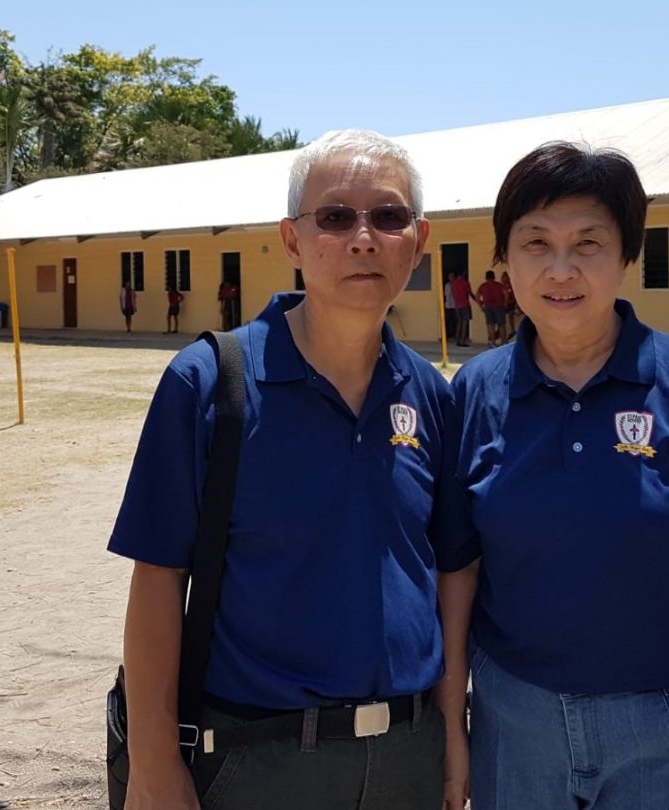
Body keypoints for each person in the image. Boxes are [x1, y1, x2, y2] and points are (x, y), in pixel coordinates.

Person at [438, 142, 669, 810]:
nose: (561, 268)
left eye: (589, 243)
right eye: (536, 242)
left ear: (628, 256)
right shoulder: (474, 394)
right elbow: (457, 573)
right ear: (505, 259)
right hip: (516, 728)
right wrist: (452, 730)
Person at [111, 129, 460, 810]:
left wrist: (450, 742)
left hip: (407, 761)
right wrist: (153, 763)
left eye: (388, 217)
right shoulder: (211, 381)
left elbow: (450, 579)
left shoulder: (432, 396)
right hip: (257, 763)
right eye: (335, 217)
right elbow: (157, 580)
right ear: (293, 240)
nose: (364, 238)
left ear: (417, 241)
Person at [475, 270, 507, 348]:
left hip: (488, 307)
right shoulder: (499, 285)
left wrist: (481, 306)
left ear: (486, 277)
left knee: (490, 326)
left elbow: (477, 296)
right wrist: (505, 304)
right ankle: (503, 343)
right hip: (499, 306)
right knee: (501, 325)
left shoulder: (483, 286)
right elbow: (506, 294)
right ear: (494, 276)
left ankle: (493, 343)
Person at [450, 270, 472, 347]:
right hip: (465, 304)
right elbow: (470, 293)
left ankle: (457, 340)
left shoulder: (453, 283)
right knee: (465, 323)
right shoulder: (465, 283)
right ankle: (462, 341)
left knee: (459, 322)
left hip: (457, 305)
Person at [500, 270, 518, 340]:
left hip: (511, 303)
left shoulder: (511, 285)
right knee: (503, 318)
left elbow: (515, 296)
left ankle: (513, 330)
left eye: (504, 277)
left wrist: (516, 305)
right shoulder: (502, 286)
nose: (503, 278)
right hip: (503, 304)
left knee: (510, 316)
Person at [442, 272, 459, 346]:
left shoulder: (457, 284)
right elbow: (446, 294)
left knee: (456, 320)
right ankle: (447, 335)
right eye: (450, 276)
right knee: (448, 320)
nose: (451, 278)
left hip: (455, 305)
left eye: (453, 276)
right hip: (449, 305)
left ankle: (455, 335)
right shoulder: (447, 285)